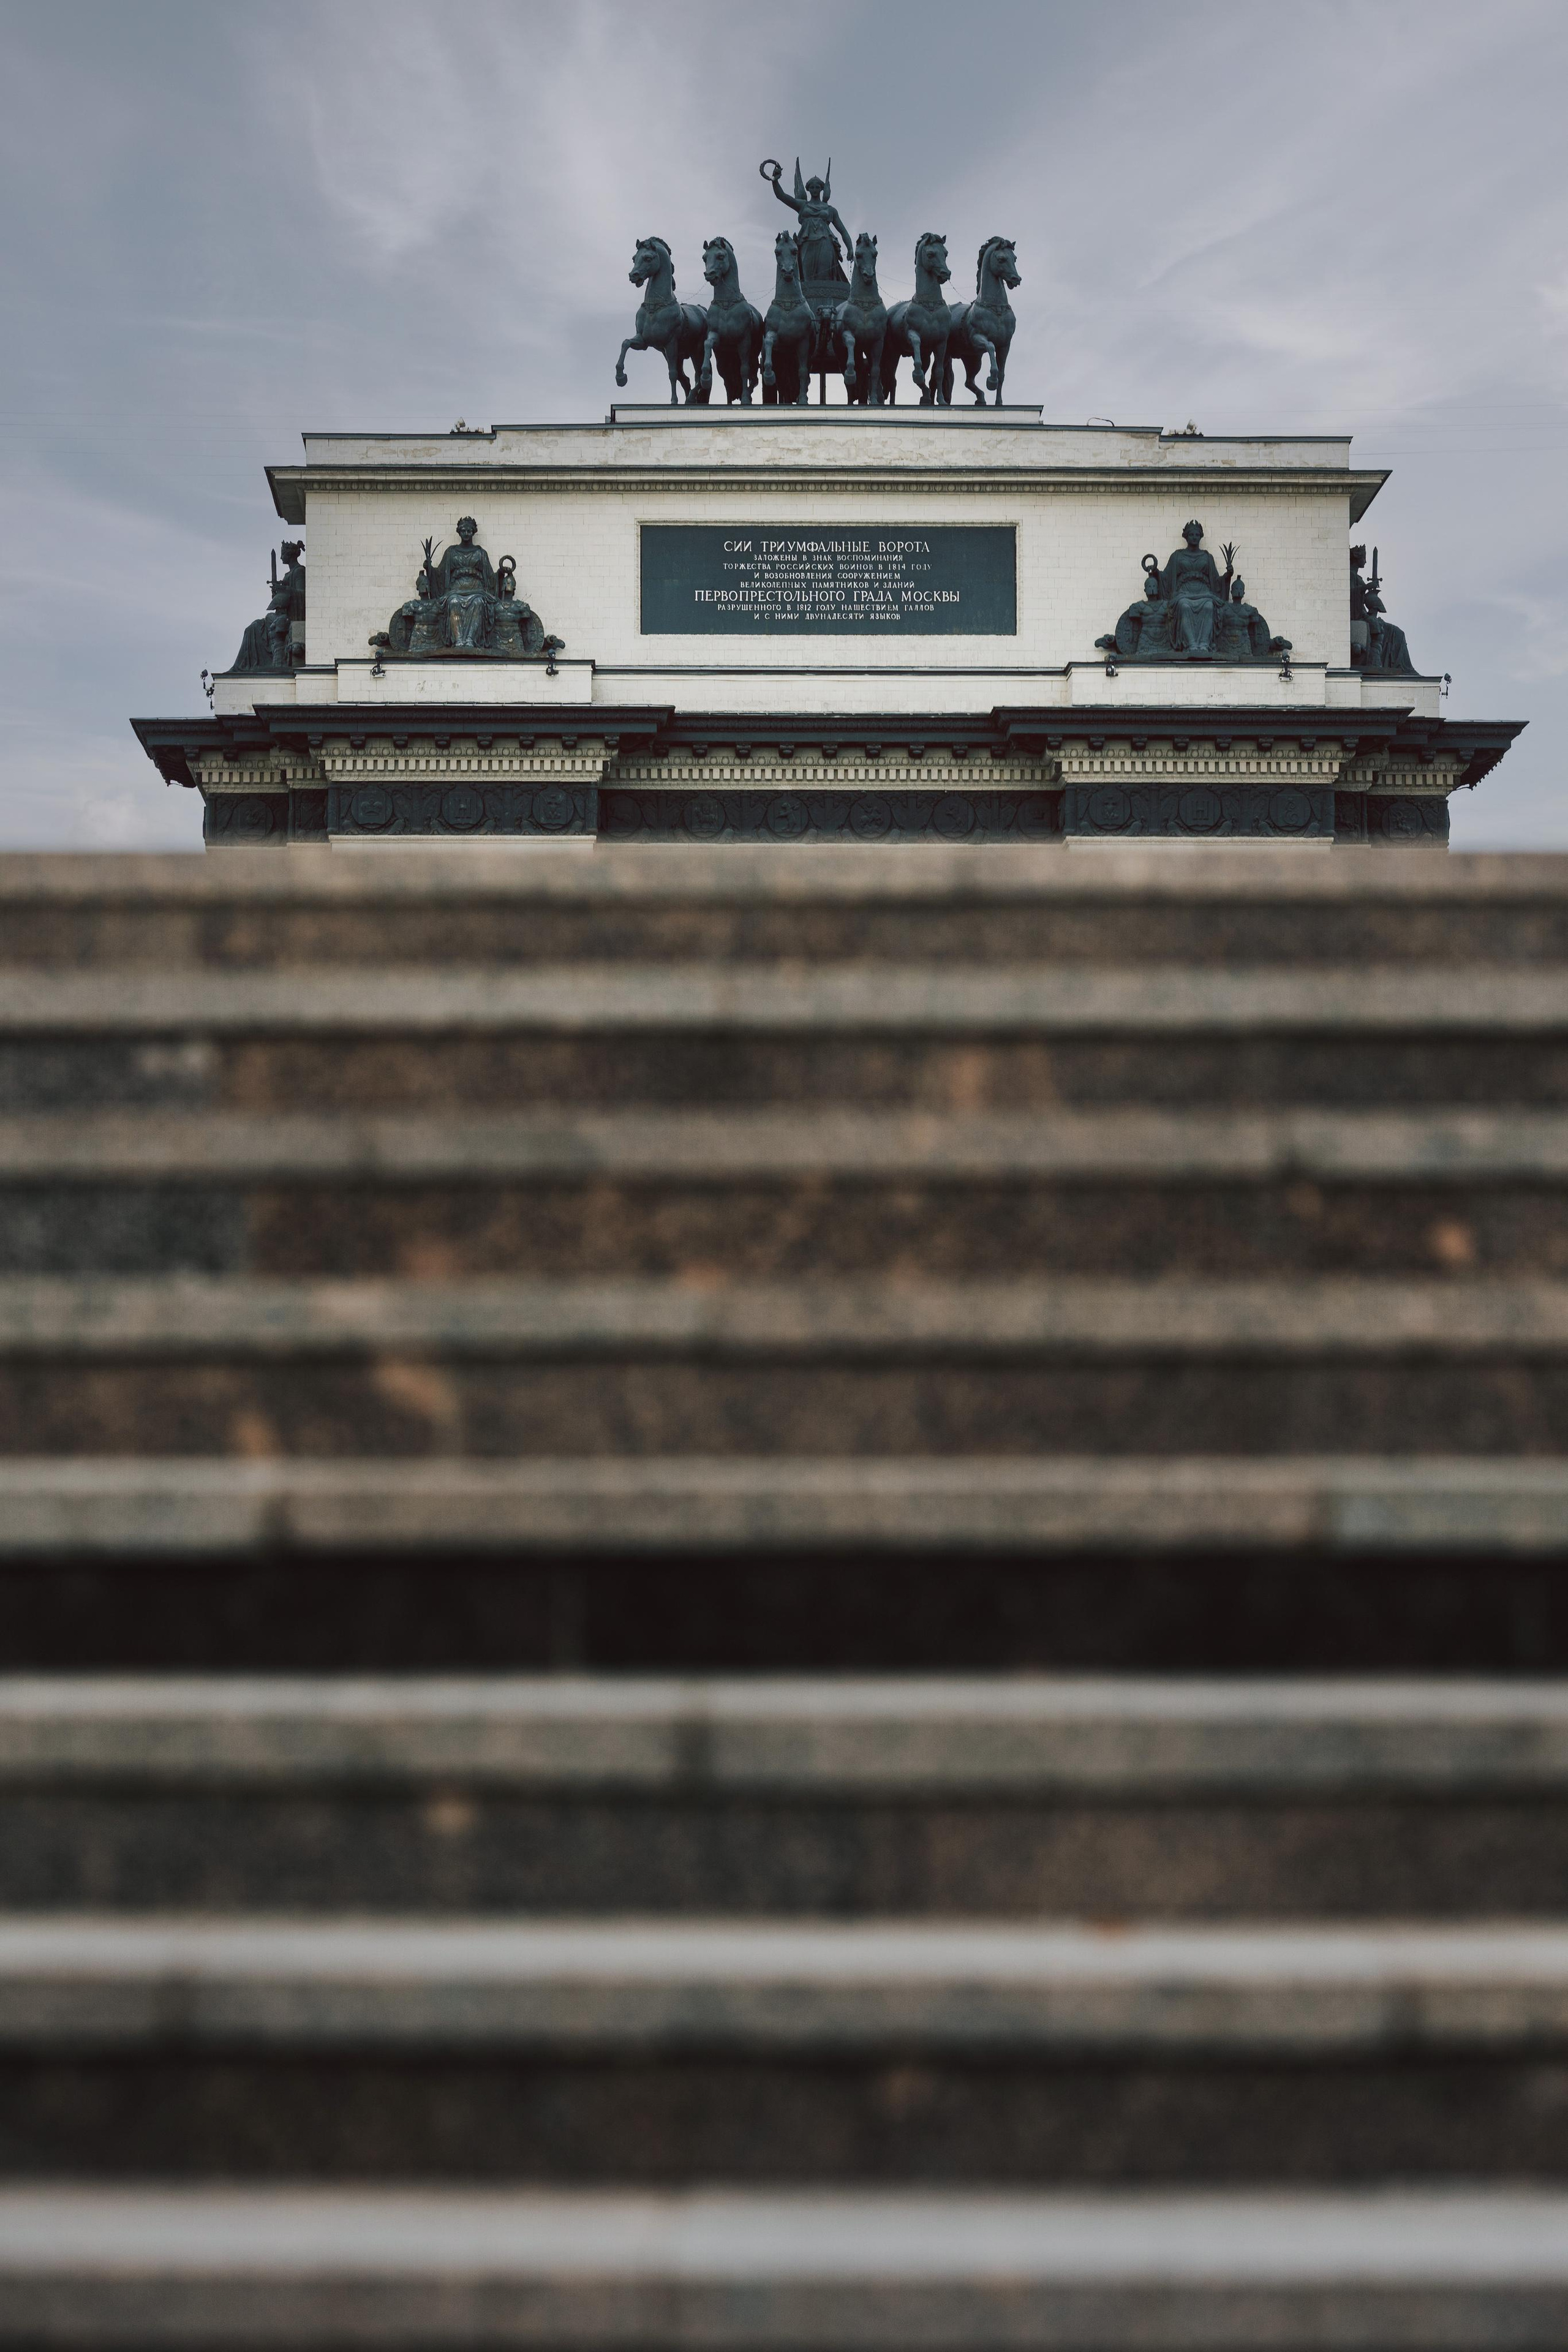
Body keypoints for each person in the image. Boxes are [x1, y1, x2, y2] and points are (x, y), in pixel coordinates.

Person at [763, 157, 851, 291]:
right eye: (812, 187)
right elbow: (782, 196)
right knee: (807, 278)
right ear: (808, 190)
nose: (815, 190)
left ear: (822, 189)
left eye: (817, 187)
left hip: (826, 243)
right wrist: (775, 181)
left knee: (825, 276)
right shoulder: (803, 205)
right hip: (806, 244)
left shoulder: (830, 210)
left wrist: (850, 249)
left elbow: (843, 231)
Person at [1152, 520, 1230, 656]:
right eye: (1191, 534)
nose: (1194, 537)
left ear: (1201, 536)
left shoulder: (1207, 557)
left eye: (1197, 535)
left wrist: (1228, 575)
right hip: (1184, 592)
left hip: (1204, 592)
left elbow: (1217, 582)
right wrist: (1155, 572)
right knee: (1184, 606)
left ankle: (1204, 644)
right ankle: (1192, 644)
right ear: (1186, 537)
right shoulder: (1177, 556)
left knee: (1209, 606)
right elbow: (1166, 577)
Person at [427, 517, 498, 650]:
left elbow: (490, 576)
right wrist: (429, 569)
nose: (466, 533)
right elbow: (441, 573)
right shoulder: (451, 552)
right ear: (459, 532)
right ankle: (459, 639)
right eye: (463, 531)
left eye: (469, 531)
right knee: (453, 602)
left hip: (477, 589)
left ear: (473, 532)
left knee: (478, 602)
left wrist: (501, 573)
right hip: (456, 589)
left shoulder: (481, 553)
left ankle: (471, 639)